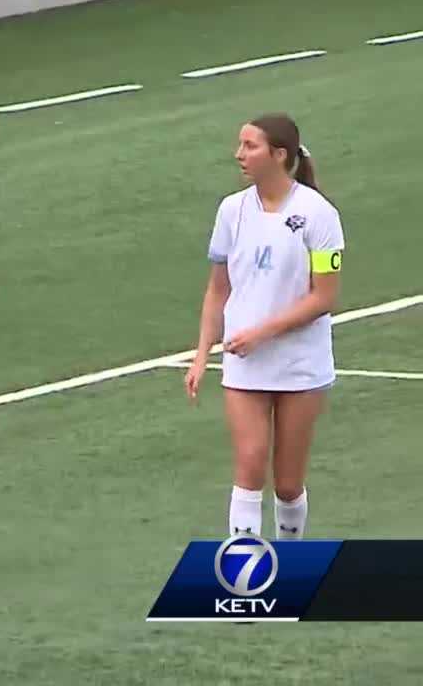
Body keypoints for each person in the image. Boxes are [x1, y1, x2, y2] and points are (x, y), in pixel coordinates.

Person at [185, 113, 344, 541]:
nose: (239, 154)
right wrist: (202, 354)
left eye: (250, 146)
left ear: (279, 155)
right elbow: (217, 290)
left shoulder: (318, 215)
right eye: (240, 144)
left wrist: (262, 332)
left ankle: (288, 567)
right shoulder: (231, 211)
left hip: (300, 364)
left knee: (288, 484)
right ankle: (246, 582)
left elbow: (324, 297)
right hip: (245, 364)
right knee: (249, 467)